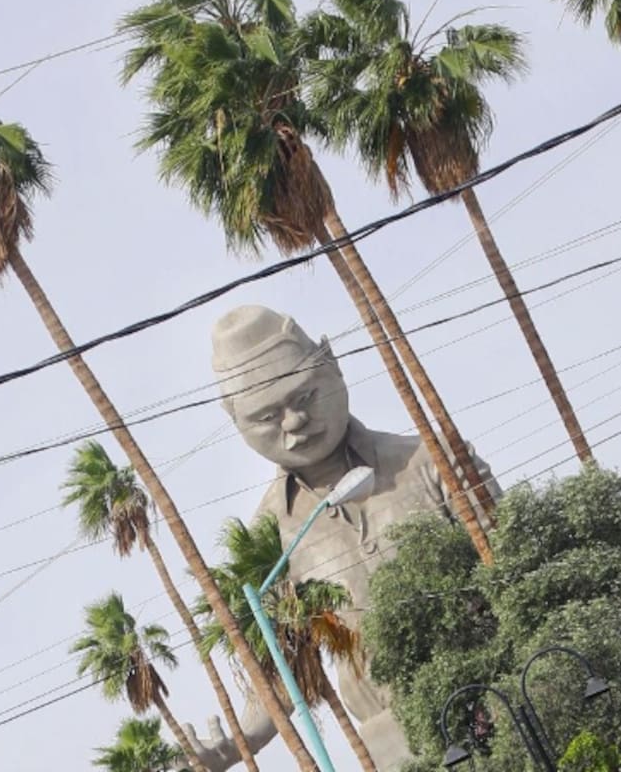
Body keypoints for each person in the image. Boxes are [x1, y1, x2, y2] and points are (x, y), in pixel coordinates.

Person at [183, 305, 498, 771]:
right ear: (235, 418)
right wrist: (235, 746)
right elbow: (283, 676)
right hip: (393, 746)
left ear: (330, 362)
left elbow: (513, 561)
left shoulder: (430, 461)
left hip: (501, 693)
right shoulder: (269, 543)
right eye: (267, 416)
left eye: (304, 395)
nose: (293, 422)